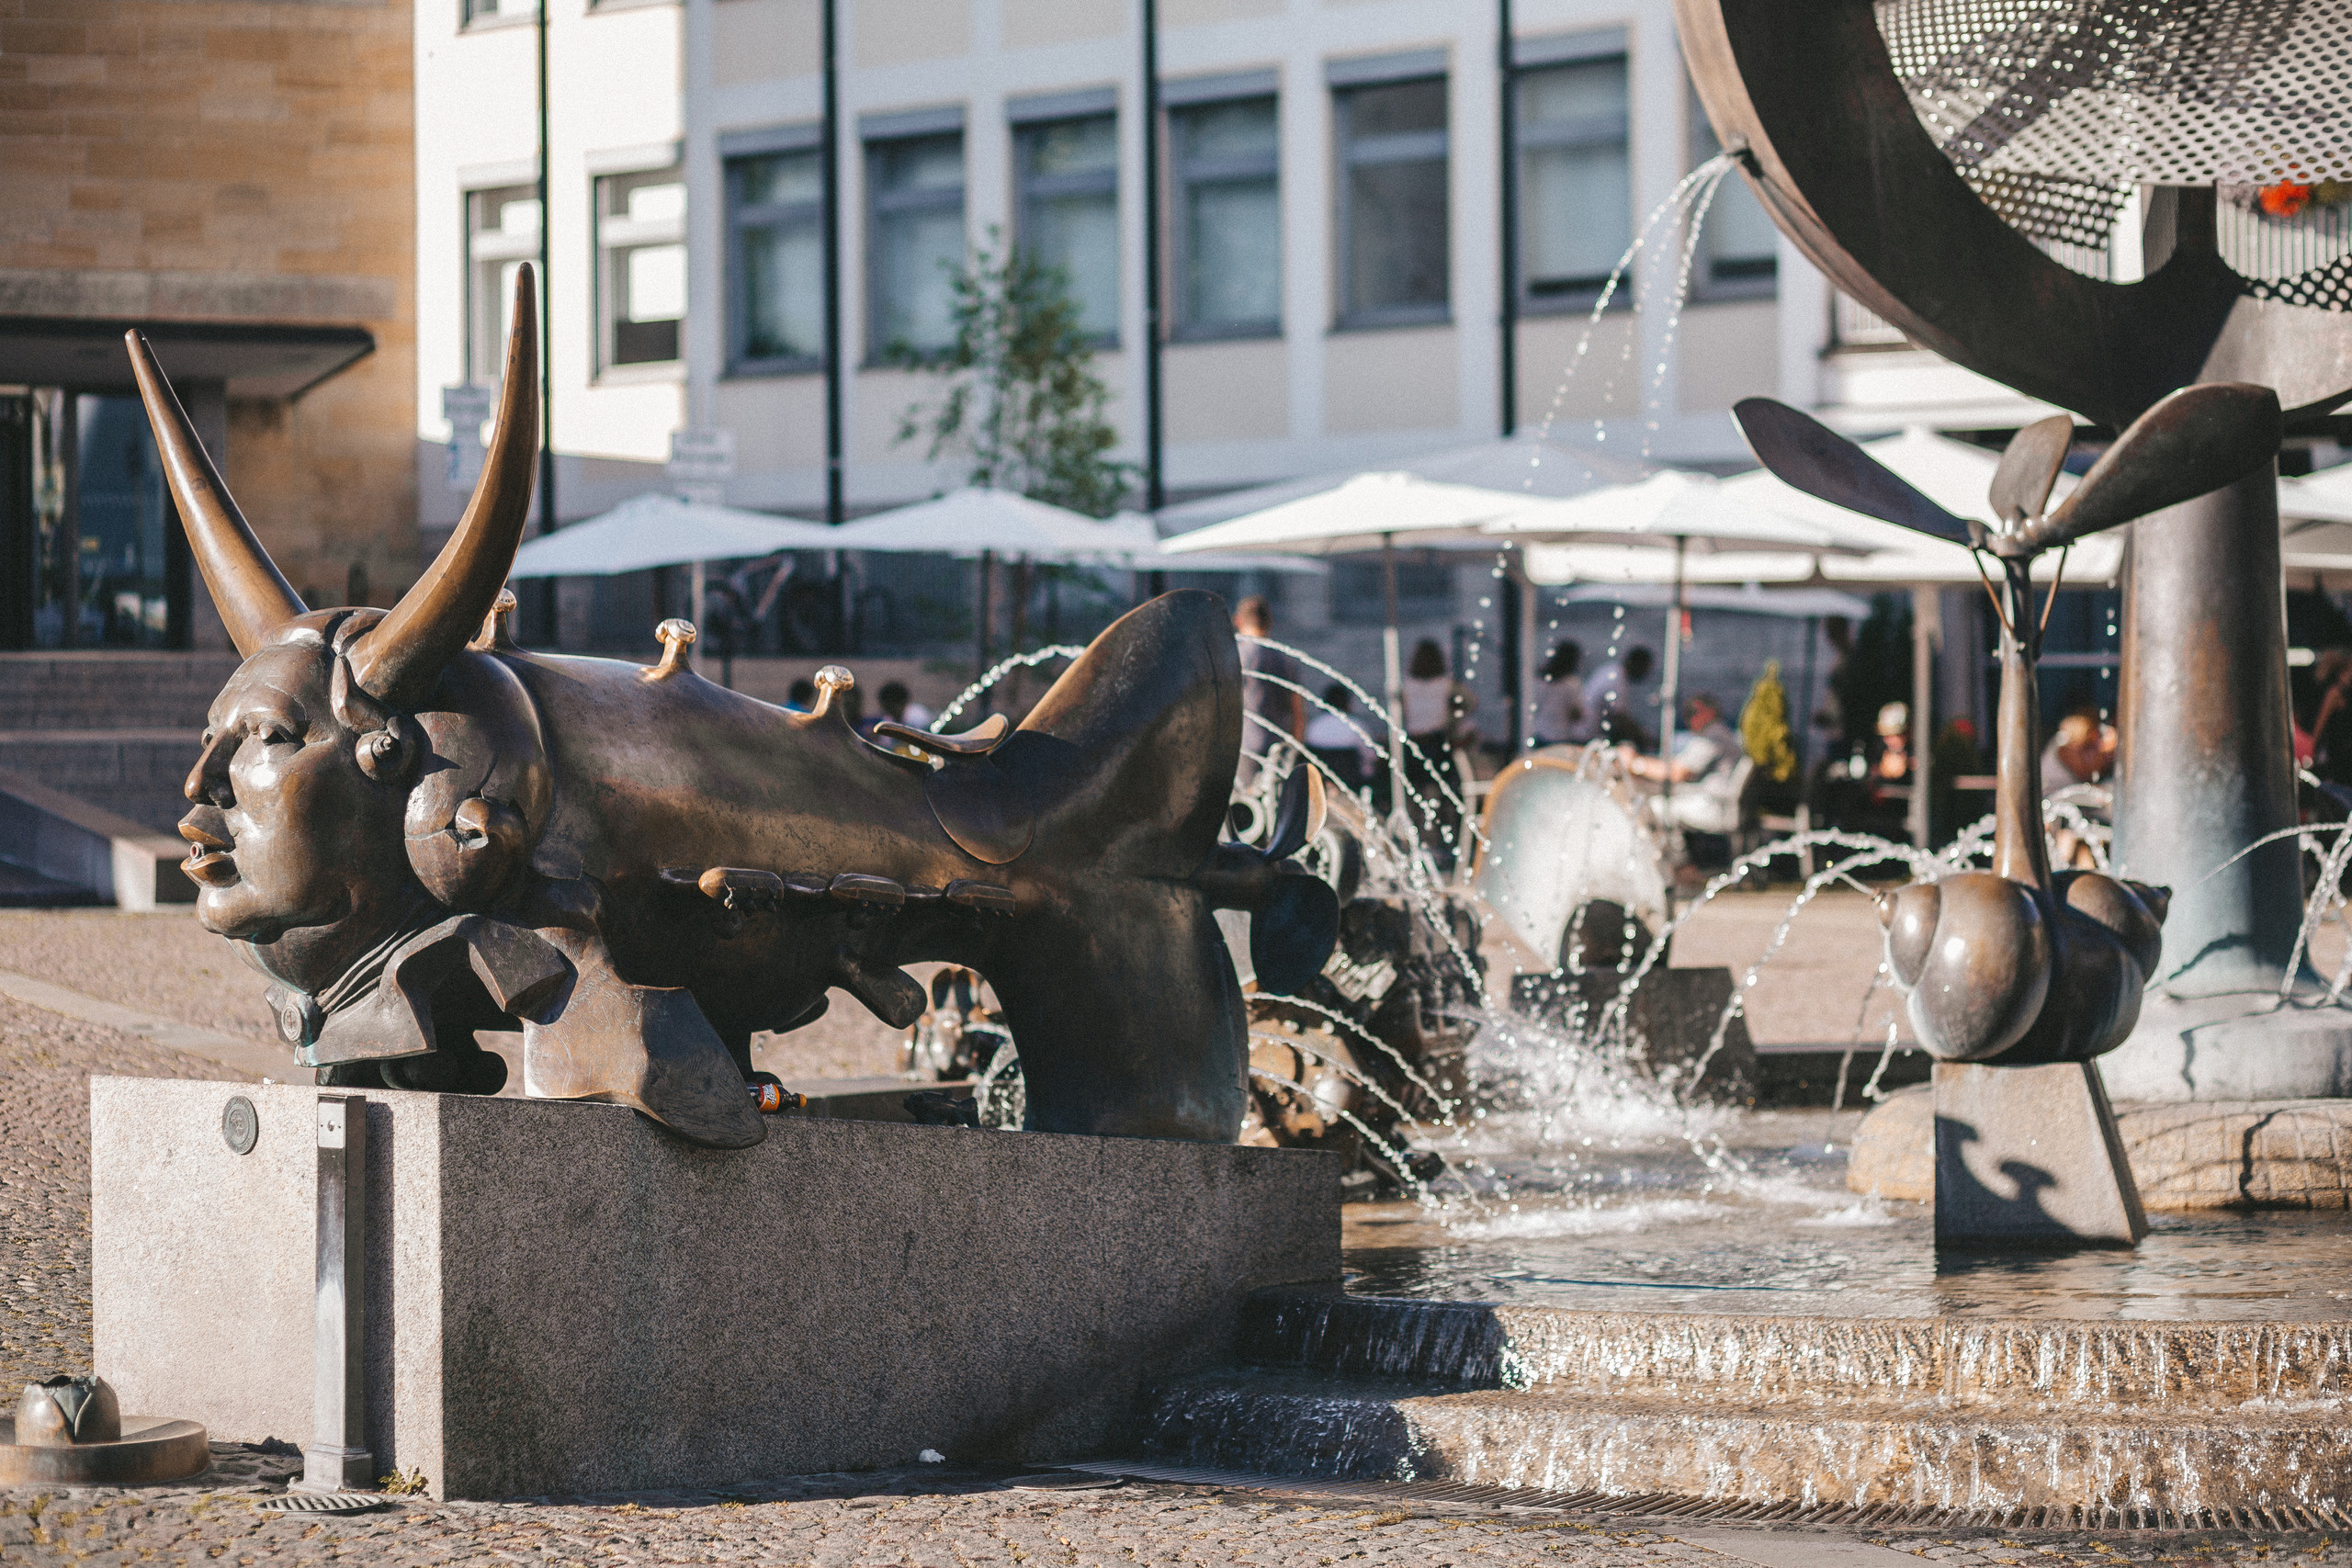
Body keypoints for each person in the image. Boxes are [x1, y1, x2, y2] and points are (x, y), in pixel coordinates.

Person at [1618, 693, 1745, 834]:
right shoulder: (1721, 734)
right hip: (1719, 804)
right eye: (1687, 713)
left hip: (1714, 806)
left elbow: (1676, 773)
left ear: (1711, 712)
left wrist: (1635, 763)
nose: (1689, 718)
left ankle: (1660, 855)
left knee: (1651, 807)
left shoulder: (1713, 737)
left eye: (1694, 712)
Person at [1399, 640, 1477, 863]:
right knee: (1437, 794)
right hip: (1435, 742)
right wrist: (1453, 718)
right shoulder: (1447, 685)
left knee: (1414, 796)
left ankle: (1417, 843)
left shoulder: (1406, 685)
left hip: (1413, 741)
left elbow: (1403, 714)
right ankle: (1437, 843)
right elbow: (1472, 702)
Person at [1234, 596, 1305, 785]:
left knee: (1245, 809)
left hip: (1244, 748)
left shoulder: (1234, 657)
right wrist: (1295, 748)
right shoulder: (1285, 658)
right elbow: (1298, 710)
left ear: (1237, 621)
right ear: (1269, 622)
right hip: (1279, 748)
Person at [1303, 683, 1369, 794]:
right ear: (1347, 703)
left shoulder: (1313, 727)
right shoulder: (1356, 726)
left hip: (1321, 783)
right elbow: (1370, 756)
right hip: (1352, 783)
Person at [1585, 646, 1656, 749]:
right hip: (1588, 737)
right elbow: (1620, 717)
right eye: (1645, 668)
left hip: (1592, 734)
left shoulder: (1613, 671)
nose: (1646, 674)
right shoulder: (1616, 679)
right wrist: (1644, 736)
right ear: (1637, 664)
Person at [1532, 640, 1589, 747]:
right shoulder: (1572, 683)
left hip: (1540, 735)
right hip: (1561, 738)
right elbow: (1576, 715)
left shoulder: (1541, 680)